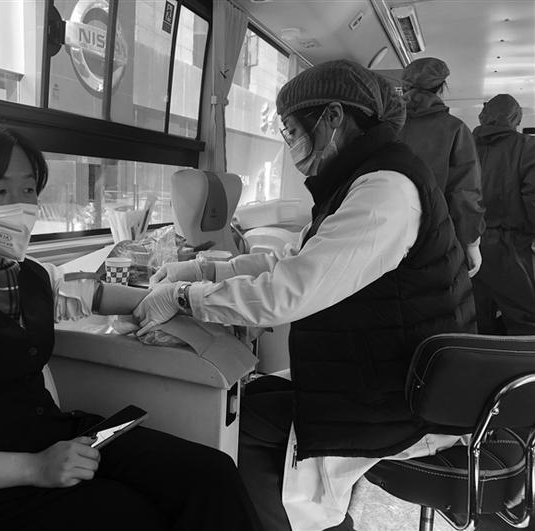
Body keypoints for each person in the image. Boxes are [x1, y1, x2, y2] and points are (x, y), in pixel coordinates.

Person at [0, 121, 261, 531]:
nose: (19, 207)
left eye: (28, 190)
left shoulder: (29, 272)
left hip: (55, 438)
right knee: (132, 514)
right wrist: (34, 467)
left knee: (210, 474)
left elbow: (90, 293)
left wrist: (175, 298)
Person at [133, 60, 476, 531]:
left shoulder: (385, 190)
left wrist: (183, 297)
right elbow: (291, 260)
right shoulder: (365, 179)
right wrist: (206, 269)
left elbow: (288, 292)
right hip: (390, 369)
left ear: (333, 116)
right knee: (254, 395)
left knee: (242, 428)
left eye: (292, 130)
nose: (290, 143)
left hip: (405, 396)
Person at [399, 57, 485, 278]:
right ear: (441, 88)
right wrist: (471, 242)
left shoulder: (386, 125)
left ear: (405, 86)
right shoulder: (454, 129)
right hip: (434, 236)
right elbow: (464, 192)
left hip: (383, 231)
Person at [471, 94, 535, 335]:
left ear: (483, 116)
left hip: (470, 244)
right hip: (511, 247)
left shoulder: (466, 144)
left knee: (477, 319)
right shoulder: (527, 147)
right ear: (516, 118)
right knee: (525, 321)